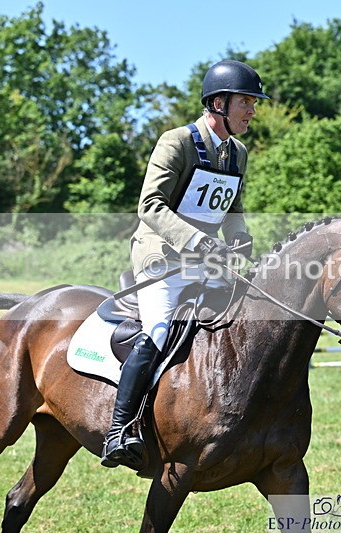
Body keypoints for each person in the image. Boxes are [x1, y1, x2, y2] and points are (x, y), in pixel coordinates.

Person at [101, 60, 268, 468]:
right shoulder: (176, 141)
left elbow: (233, 207)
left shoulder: (237, 152)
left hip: (208, 262)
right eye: (246, 102)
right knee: (159, 332)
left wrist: (240, 237)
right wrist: (198, 241)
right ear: (218, 103)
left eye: (253, 103)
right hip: (163, 257)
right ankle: (119, 430)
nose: (252, 110)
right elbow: (150, 205)